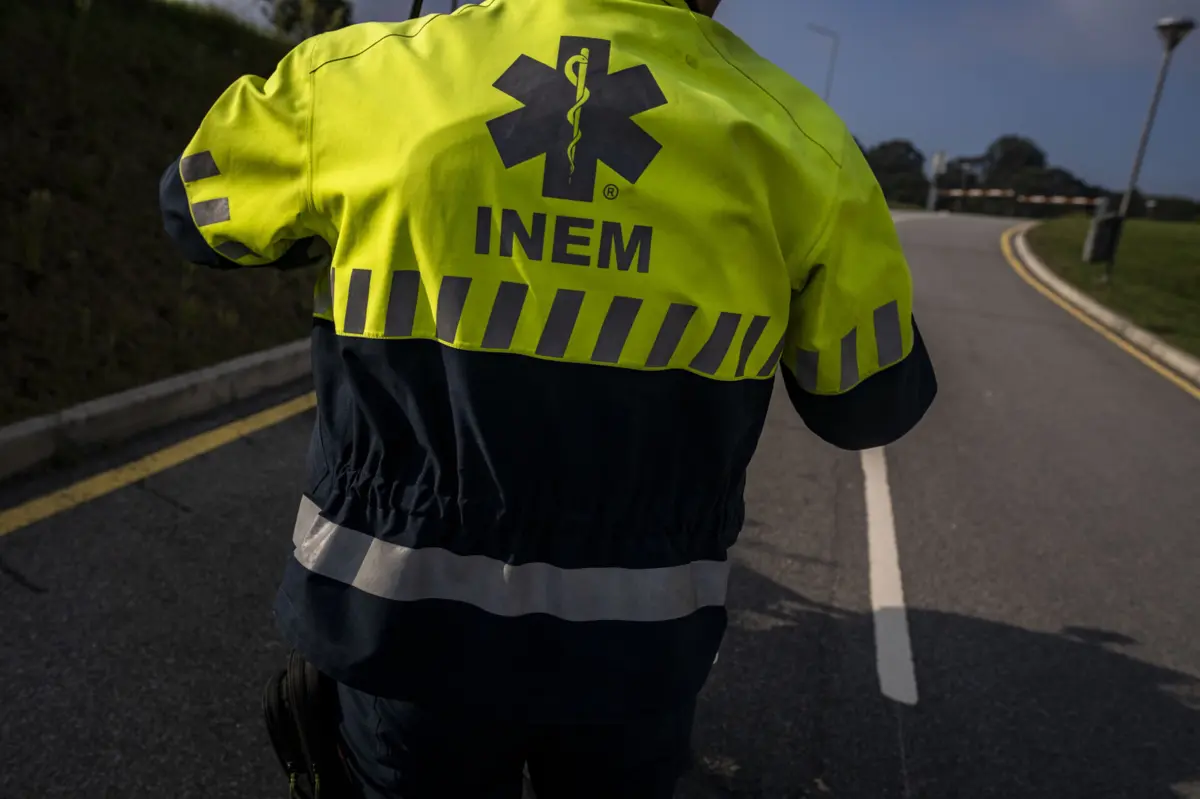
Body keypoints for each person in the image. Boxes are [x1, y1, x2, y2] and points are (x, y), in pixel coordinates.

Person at [159, 0, 936, 796]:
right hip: (638, 645)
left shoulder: (364, 80)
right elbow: (870, 403)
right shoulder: (799, 140)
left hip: (396, 622)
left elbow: (194, 211)